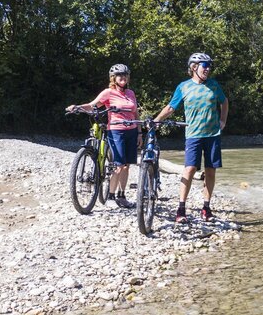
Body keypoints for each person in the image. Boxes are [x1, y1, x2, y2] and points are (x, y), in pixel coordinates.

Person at [154, 52, 228, 223]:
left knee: (210, 170)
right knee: (190, 169)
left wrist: (223, 121)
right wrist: (157, 120)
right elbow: (171, 107)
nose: (208, 69)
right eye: (204, 65)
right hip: (193, 135)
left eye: (209, 66)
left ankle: (206, 208)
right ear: (194, 67)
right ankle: (181, 209)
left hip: (213, 135)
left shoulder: (214, 86)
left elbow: (224, 102)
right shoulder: (183, 87)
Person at [66, 64, 139, 209]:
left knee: (126, 166)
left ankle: (121, 196)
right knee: (118, 165)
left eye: (125, 75)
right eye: (119, 75)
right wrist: (77, 107)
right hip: (116, 130)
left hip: (132, 130)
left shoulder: (131, 93)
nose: (123, 78)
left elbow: (135, 113)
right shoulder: (108, 93)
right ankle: (110, 197)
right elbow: (93, 105)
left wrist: (140, 132)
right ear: (114, 78)